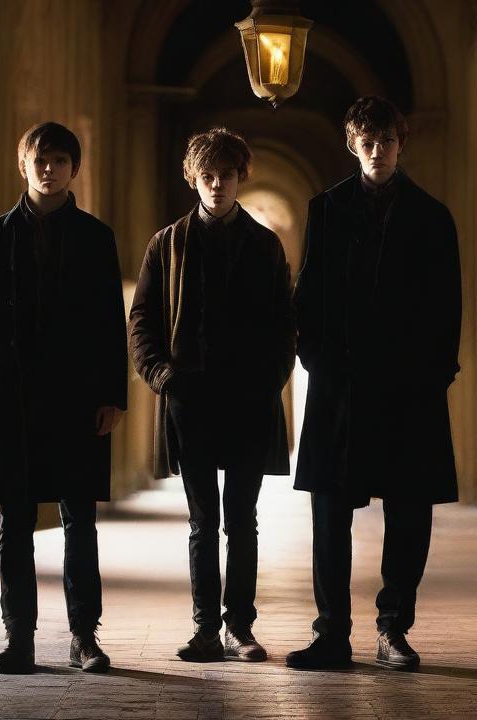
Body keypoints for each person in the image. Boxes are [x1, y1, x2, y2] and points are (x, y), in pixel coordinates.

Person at [286, 96, 462, 672]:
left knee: (409, 513)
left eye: (385, 141)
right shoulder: (327, 210)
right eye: (366, 142)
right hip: (342, 384)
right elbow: (308, 294)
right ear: (351, 144)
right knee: (331, 514)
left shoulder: (433, 217)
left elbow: (447, 307)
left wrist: (435, 372)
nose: (376, 151)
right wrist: (316, 360)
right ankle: (333, 633)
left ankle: (393, 629)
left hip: (410, 387)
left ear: (399, 143)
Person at [0, 122, 127, 675]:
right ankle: (19, 638)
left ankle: (84, 636)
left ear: (74, 168)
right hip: (10, 400)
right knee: (15, 523)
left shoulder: (96, 239)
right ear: (22, 164)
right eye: (40, 158)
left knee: (80, 520)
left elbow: (110, 324)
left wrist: (112, 396)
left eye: (59, 159)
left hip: (77, 400)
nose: (48, 168)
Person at [128, 127, 294, 663]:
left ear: (240, 176)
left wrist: (267, 384)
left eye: (225, 174)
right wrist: (162, 377)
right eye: (207, 175)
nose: (217, 184)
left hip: (248, 402)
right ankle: (205, 627)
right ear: (193, 178)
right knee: (204, 521)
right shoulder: (166, 244)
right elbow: (143, 320)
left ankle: (238, 628)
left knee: (241, 519)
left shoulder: (265, 245)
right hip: (190, 401)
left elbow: (283, 326)